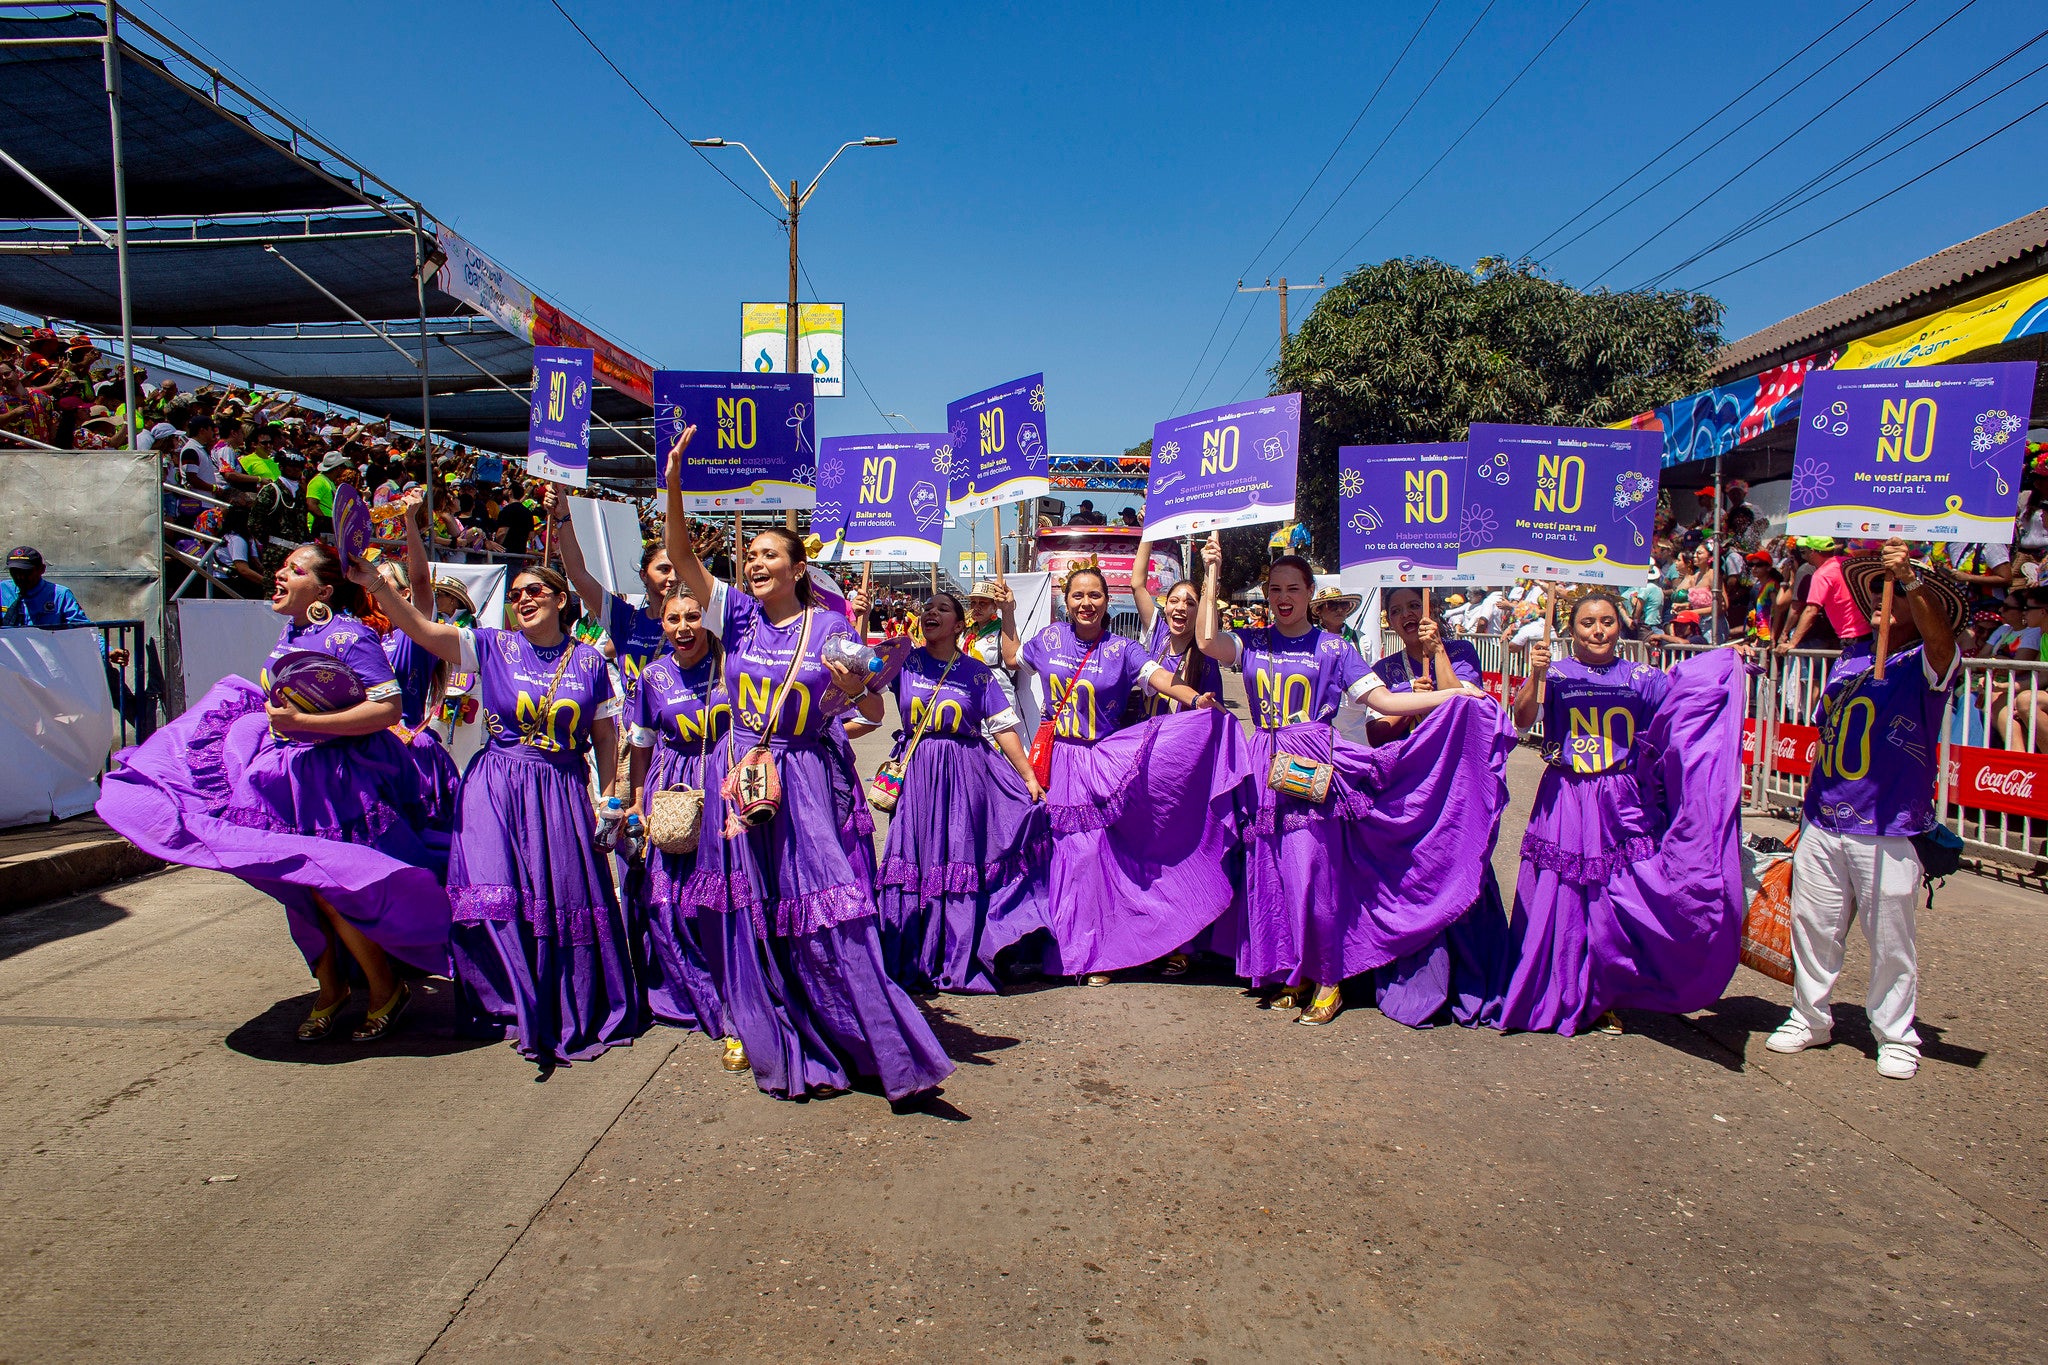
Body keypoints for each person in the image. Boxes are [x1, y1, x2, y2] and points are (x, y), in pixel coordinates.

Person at [661, 425, 955, 1108]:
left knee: (829, 914)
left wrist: (855, 687)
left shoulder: (830, 631)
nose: (756, 561)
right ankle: (764, 1028)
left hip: (808, 786)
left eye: (771, 554)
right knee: (749, 909)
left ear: (799, 569)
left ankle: (880, 1047)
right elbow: (679, 555)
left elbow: (873, 712)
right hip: (740, 780)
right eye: (751, 554)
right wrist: (675, 481)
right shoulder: (733, 617)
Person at [97, 543, 450, 1043]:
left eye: (295, 570)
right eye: (283, 566)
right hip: (290, 781)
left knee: (333, 888)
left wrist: (303, 722)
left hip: (340, 785)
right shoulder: (292, 633)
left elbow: (389, 709)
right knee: (299, 888)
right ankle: (332, 987)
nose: (280, 574)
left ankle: (383, 988)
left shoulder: (350, 635)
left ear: (325, 590)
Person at [1197, 545, 1509, 1026]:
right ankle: (1295, 972)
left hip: (1310, 760)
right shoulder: (1253, 641)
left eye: (1293, 590)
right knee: (1273, 868)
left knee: (1311, 870)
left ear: (1310, 595)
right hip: (1263, 759)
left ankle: (1329, 979)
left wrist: (1452, 697)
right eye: (1275, 590)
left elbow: (1382, 699)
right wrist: (1213, 569)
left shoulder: (1333, 648)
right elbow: (1205, 641)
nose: (1283, 599)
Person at [361, 559, 640, 1071]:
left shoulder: (590, 663)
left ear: (560, 599)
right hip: (494, 785)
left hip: (558, 788)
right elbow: (421, 630)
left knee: (560, 896)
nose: (523, 599)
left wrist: (611, 799)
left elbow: (605, 738)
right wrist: (379, 587)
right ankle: (512, 1000)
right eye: (515, 594)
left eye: (535, 590)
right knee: (492, 889)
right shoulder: (491, 645)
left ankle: (556, 999)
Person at [1495, 591, 1748, 1036]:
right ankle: (1555, 986)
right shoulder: (1553, 673)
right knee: (1563, 893)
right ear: (1570, 631)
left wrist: (1726, 664)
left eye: (1607, 622)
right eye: (1587, 623)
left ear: (1619, 626)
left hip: (1622, 797)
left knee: (1616, 896)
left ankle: (1604, 991)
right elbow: (1521, 718)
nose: (1598, 631)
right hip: (1566, 793)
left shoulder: (1642, 677)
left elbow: (1679, 710)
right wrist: (1534, 675)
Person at [989, 557, 1241, 988]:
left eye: (1095, 595)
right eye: (1078, 595)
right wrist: (1009, 612)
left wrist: (1196, 698)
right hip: (1057, 762)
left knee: (1089, 857)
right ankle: (1049, 943)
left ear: (1108, 601)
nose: (1086, 603)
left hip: (1103, 763)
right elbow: (1013, 658)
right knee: (1056, 856)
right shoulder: (1047, 640)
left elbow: (1159, 677)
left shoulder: (1123, 649)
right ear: (1065, 601)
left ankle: (1094, 951)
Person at [1767, 542, 1965, 1081]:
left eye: (1894, 592)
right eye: (1879, 588)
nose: (1881, 597)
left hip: (1888, 825)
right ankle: (1810, 1015)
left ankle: (1896, 1033)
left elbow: (1942, 646)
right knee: (1813, 926)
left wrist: (1913, 581)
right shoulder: (1851, 657)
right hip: (1825, 817)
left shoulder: (1928, 663)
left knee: (1891, 937)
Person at [851, 590, 1044, 995]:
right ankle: (911, 955)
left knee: (958, 856)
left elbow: (1003, 727)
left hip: (965, 773)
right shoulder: (903, 661)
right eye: (928, 608)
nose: (930, 612)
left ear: (959, 625)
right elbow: (857, 673)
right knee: (913, 857)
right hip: (916, 773)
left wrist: (1027, 776)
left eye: (942, 608)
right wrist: (861, 618)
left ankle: (957, 957)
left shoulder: (978, 673)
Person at [623, 584, 745, 1067]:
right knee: (670, 897)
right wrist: (637, 801)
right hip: (671, 787)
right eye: (672, 620)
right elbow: (642, 740)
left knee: (726, 893)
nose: (682, 628)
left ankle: (737, 994)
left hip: (724, 781)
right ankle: (689, 989)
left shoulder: (733, 664)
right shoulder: (652, 675)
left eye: (692, 617)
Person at [545, 484, 675, 708]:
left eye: (678, 569)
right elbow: (578, 574)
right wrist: (563, 518)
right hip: (636, 733)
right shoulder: (626, 619)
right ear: (644, 575)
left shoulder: (697, 620)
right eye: (664, 569)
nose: (673, 577)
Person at [1130, 539, 1225, 716]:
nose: (1180, 607)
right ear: (1165, 607)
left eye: (1189, 603)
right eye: (1174, 601)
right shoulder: (1159, 635)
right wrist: (1148, 533)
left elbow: (1214, 716)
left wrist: (1209, 573)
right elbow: (1137, 586)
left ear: (1199, 612)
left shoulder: (1205, 654)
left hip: (1182, 741)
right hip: (1147, 738)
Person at [1780, 537, 1870, 670]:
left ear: (1813, 552)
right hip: (1867, 631)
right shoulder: (1847, 563)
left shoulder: (1822, 574)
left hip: (1851, 636)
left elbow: (1811, 610)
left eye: (1804, 552)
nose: (1804, 556)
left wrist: (1792, 643)